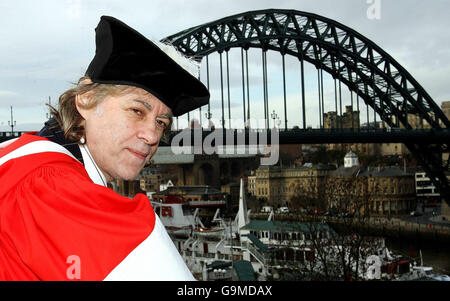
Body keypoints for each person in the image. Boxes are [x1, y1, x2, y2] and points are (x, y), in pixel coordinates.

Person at [0, 16, 209, 281]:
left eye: (161, 122)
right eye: (136, 110)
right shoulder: (58, 192)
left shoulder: (20, 157)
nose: (152, 135)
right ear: (86, 99)